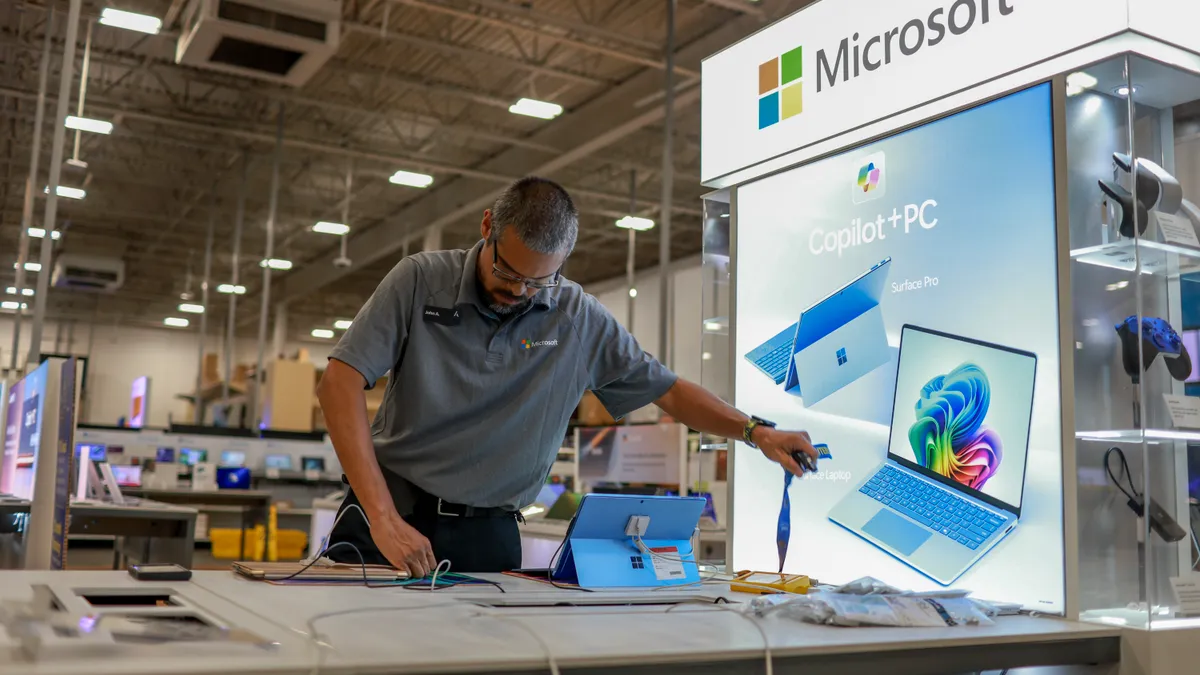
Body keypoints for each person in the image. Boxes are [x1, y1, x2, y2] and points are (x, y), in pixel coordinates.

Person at [317, 176, 820, 577]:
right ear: (487, 226)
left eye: (539, 280)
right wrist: (382, 517)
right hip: (386, 513)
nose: (519, 290)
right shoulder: (420, 280)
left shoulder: (578, 317)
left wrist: (757, 431)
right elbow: (339, 383)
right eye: (508, 271)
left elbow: (669, 391)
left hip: (489, 534)